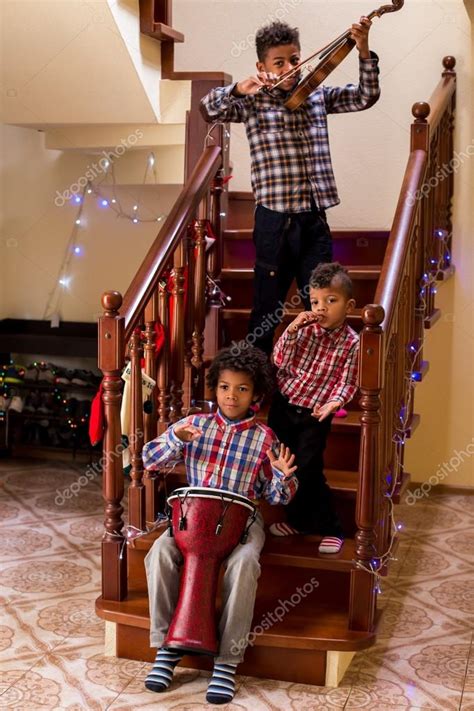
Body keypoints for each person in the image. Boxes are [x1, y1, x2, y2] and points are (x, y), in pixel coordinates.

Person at [200, 18, 380, 354]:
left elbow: (366, 96)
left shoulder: (316, 95)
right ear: (262, 66)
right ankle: (257, 380)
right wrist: (240, 88)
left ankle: (317, 379)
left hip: (314, 218)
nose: (290, 68)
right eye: (279, 62)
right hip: (274, 222)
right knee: (268, 308)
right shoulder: (252, 103)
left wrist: (363, 47)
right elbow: (207, 109)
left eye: (295, 59)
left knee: (324, 308)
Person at [142, 345, 298, 705]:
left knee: (245, 564)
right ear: (214, 388)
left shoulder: (265, 438)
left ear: (256, 395)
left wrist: (283, 478)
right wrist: (173, 439)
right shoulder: (193, 425)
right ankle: (167, 648)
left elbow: (276, 496)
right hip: (192, 517)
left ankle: (227, 662)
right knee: (159, 553)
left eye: (242, 389)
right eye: (225, 387)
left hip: (242, 518)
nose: (232, 395)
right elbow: (149, 460)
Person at [268, 262, 359, 554]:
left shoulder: (352, 343)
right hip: (284, 406)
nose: (322, 308)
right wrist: (292, 328)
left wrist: (335, 402)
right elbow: (279, 361)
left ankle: (330, 527)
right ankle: (298, 521)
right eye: (316, 301)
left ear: (349, 305)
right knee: (284, 467)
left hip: (314, 415)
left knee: (308, 469)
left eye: (331, 301)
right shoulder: (303, 331)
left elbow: (347, 382)